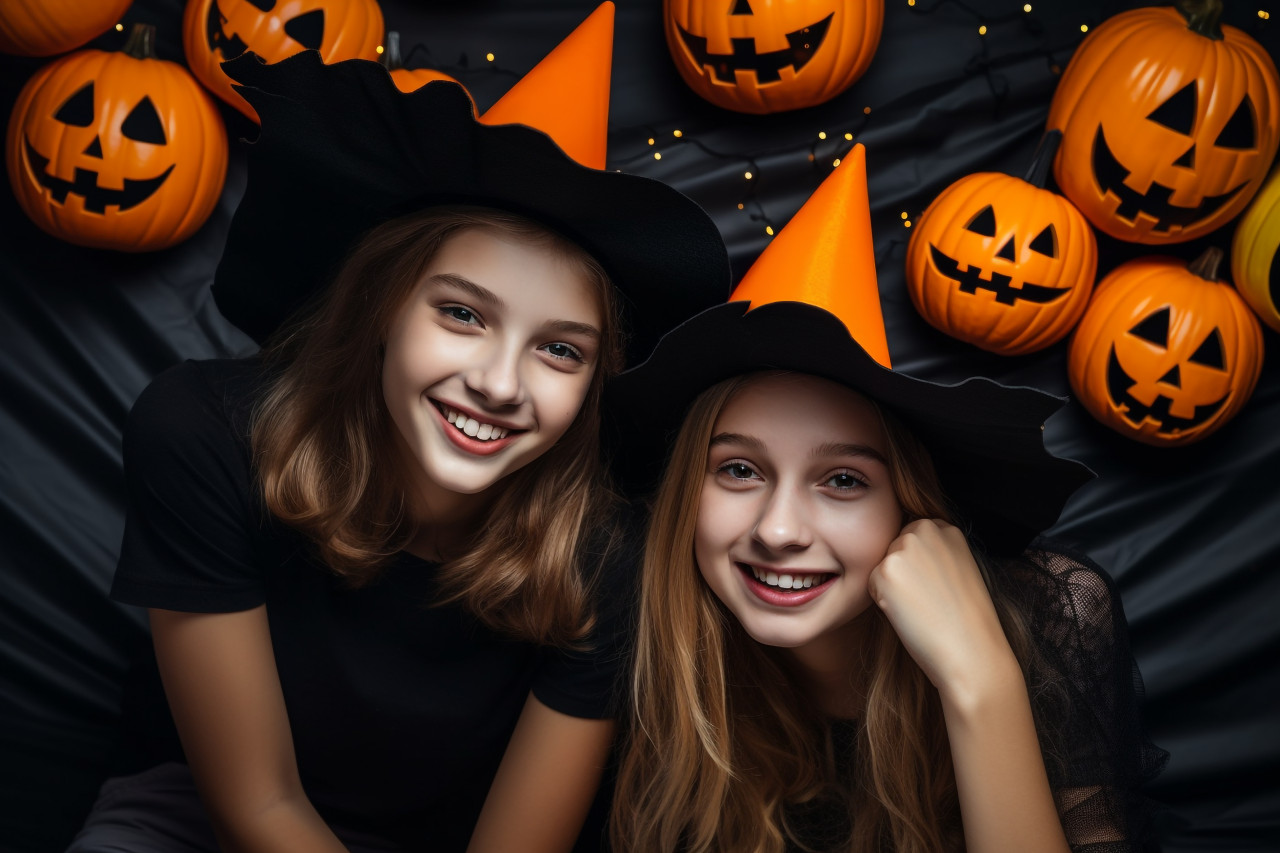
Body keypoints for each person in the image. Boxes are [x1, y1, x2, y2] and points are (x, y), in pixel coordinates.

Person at [68, 7, 730, 853]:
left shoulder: (607, 558)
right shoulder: (206, 433)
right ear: (383, 308)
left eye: (559, 350)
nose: (498, 384)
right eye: (462, 314)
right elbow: (257, 804)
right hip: (194, 821)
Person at [607, 145, 1167, 853]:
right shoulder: (645, 620)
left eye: (843, 480)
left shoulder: (1053, 614)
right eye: (740, 470)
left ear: (909, 503)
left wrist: (979, 679)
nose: (778, 530)